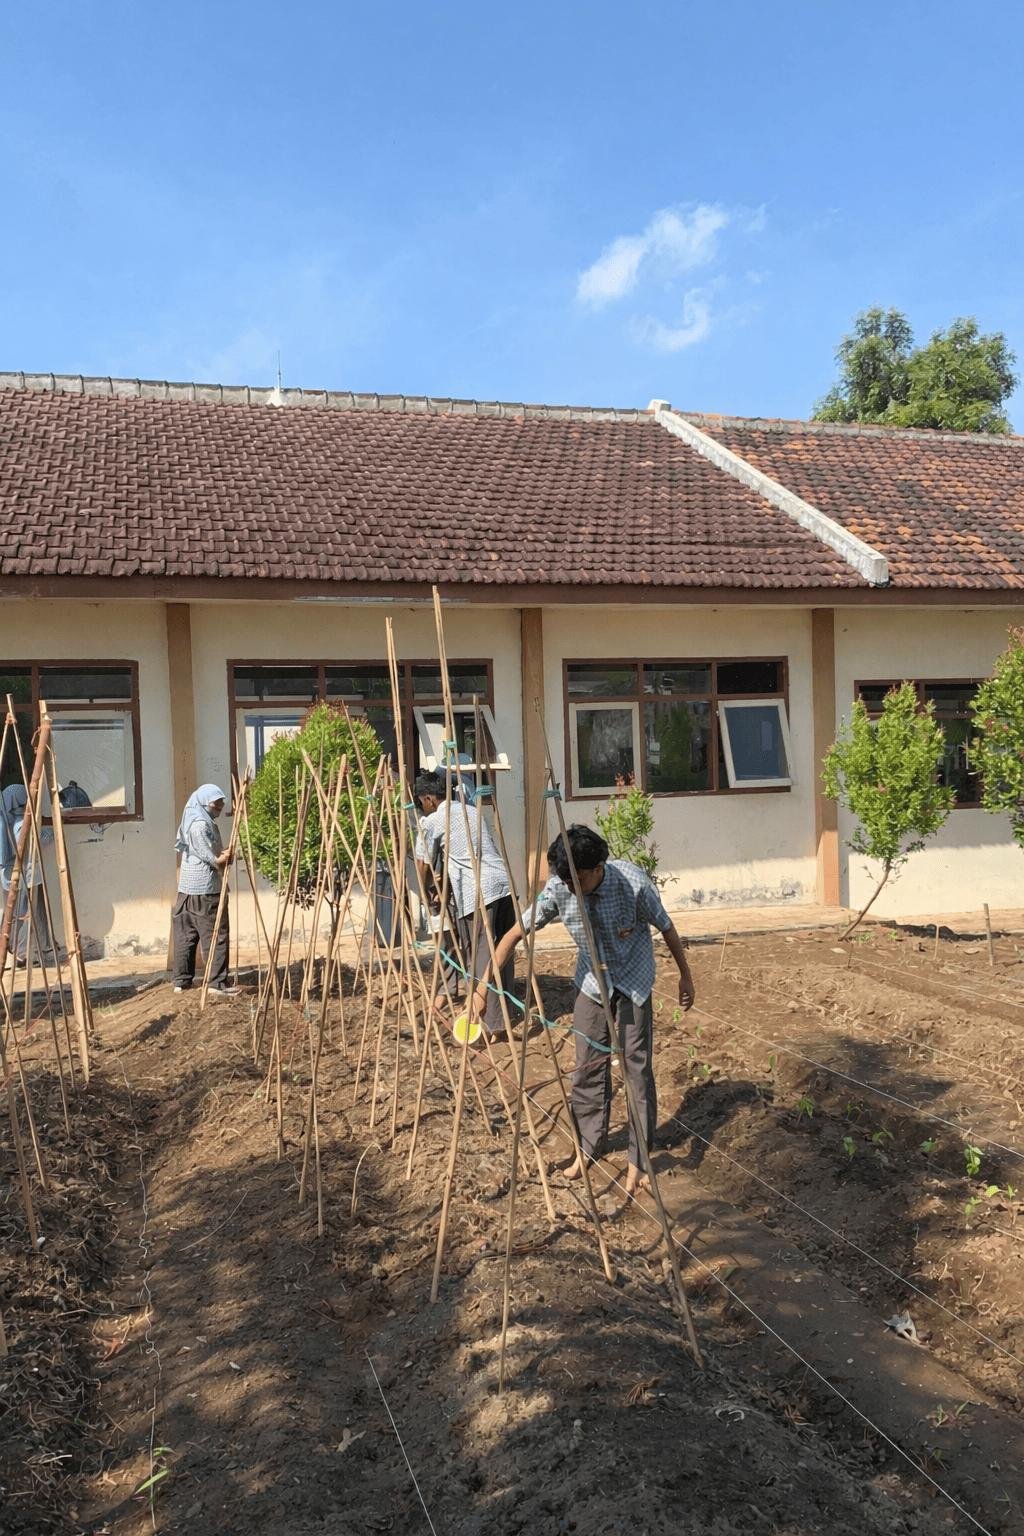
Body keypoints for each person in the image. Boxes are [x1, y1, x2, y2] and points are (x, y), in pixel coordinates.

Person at [474, 824, 695, 1196]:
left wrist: (685, 977)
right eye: (564, 879)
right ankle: (588, 1146)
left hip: (634, 981)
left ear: (597, 868)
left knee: (636, 1070)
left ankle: (639, 1160)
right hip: (592, 983)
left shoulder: (633, 884)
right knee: (587, 1068)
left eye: (577, 878)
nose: (569, 886)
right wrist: (482, 989)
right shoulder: (559, 888)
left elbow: (667, 928)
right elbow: (513, 935)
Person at [413, 770, 514, 1040]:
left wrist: (425, 892)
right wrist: (442, 890)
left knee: (481, 956)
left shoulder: (433, 821)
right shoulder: (471, 811)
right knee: (502, 952)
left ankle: (488, 1023)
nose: (422, 809)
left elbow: (422, 864)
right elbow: (461, 858)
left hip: (478, 892)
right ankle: (503, 1015)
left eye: (422, 803)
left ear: (428, 798)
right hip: (504, 885)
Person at [171, 784, 239, 997]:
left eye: (222, 802)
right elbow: (210, 857)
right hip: (206, 891)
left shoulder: (193, 819)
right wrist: (223, 857)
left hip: (186, 891)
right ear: (203, 803)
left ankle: (181, 981)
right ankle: (216, 983)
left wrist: (222, 855)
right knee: (215, 935)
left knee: (186, 937)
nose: (220, 806)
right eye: (216, 803)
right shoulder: (200, 824)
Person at [0, 783, 56, 966]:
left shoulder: (3, 820)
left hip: (8, 875)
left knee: (13, 913)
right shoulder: (20, 822)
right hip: (27, 875)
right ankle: (27, 952)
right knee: (31, 913)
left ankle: (12, 947)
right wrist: (53, 828)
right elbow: (36, 841)